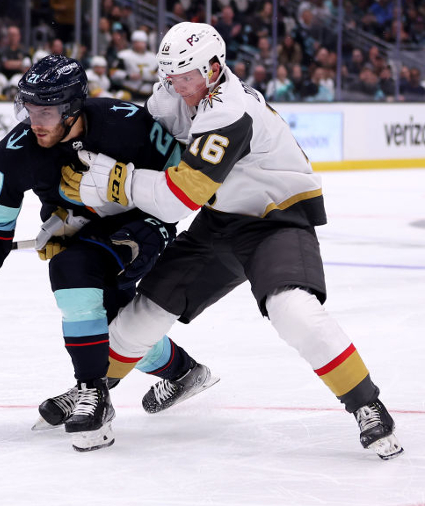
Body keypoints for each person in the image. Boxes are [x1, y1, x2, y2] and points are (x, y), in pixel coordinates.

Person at [66, 22, 404, 460]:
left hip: (275, 220)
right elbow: (148, 147)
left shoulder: (229, 109)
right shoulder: (172, 94)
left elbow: (180, 196)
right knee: (145, 313)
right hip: (220, 220)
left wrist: (118, 182)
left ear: (214, 66)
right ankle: (95, 392)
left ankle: (367, 405)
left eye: (187, 77)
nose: (180, 87)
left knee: (294, 311)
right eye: (171, 78)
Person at [0, 55, 216, 452]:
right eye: (30, 108)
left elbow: (183, 182)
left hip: (145, 221)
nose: (36, 121)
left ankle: (93, 392)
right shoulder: (16, 151)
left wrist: (120, 190)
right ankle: (187, 373)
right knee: (114, 319)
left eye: (47, 111)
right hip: (81, 230)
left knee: (73, 270)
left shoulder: (124, 123)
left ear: (72, 109)